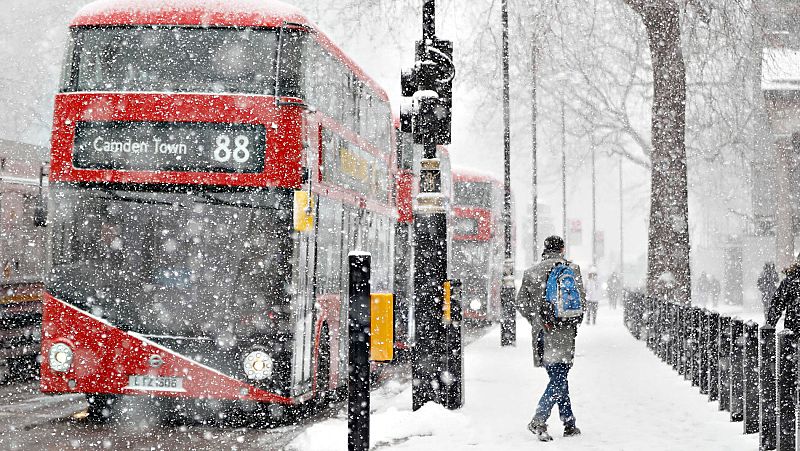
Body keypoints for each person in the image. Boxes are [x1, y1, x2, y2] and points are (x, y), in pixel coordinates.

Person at [516, 235, 584, 442]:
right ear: (562, 249)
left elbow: (521, 303)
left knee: (558, 377)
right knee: (559, 377)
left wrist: (537, 320)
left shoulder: (531, 272)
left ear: (545, 249)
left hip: (542, 333)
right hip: (565, 333)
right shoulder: (572, 270)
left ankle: (569, 422)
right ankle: (539, 419)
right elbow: (581, 301)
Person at [766, 256, 800, 334]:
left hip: (792, 327)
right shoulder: (790, 281)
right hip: (793, 328)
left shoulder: (790, 281)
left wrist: (769, 326)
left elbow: (777, 305)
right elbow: (777, 304)